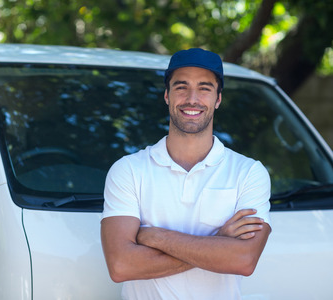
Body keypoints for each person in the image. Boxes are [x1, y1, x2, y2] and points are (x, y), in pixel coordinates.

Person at [100, 48, 272, 300]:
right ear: (167, 96)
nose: (192, 99)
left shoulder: (248, 172)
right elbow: (121, 266)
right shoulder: (128, 170)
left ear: (218, 99)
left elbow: (244, 260)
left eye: (204, 88)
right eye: (181, 87)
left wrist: (153, 236)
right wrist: (219, 241)